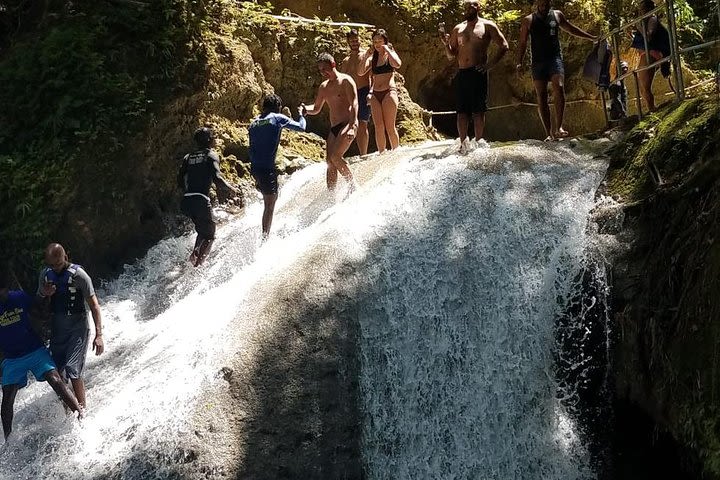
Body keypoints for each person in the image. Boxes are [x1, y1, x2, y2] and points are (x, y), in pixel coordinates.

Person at [1, 269, 83, 440]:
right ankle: (8, 440)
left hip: (34, 350)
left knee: (55, 379)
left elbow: (38, 307)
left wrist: (45, 295)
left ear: (6, 290)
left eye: (2, 292)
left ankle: (79, 416)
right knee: (7, 397)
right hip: (11, 359)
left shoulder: (18, 297)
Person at [517, 0, 597, 140]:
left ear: (550, 3)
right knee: (541, 96)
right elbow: (522, 42)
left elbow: (571, 29)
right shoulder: (528, 20)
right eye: (541, 5)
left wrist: (591, 38)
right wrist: (519, 62)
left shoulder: (557, 15)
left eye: (546, 5)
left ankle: (559, 127)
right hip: (538, 62)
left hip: (554, 59)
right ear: (537, 4)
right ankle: (548, 133)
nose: (544, 7)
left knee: (559, 87)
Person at [37, 243, 103, 410]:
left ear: (65, 257)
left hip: (77, 326)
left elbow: (94, 305)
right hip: (57, 327)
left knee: (73, 369)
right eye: (51, 265)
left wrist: (99, 334)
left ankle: (82, 411)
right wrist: (45, 295)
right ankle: (69, 410)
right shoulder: (45, 275)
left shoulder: (79, 275)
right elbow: (37, 304)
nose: (55, 268)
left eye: (58, 264)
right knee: (57, 375)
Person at [440, 1, 509, 146]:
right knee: (461, 111)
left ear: (478, 8)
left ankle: (478, 141)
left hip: (478, 72)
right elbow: (451, 55)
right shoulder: (458, 28)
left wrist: (489, 66)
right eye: (465, 7)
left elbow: (504, 46)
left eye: (471, 7)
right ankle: (463, 142)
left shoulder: (488, 26)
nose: (467, 9)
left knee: (479, 110)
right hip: (462, 72)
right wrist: (446, 44)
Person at [178, 127, 239, 266]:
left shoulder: (188, 157)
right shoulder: (211, 155)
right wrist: (230, 188)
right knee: (210, 235)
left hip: (187, 200)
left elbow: (180, 179)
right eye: (214, 137)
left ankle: (195, 256)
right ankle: (199, 267)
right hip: (200, 199)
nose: (215, 139)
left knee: (202, 230)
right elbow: (217, 178)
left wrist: (187, 192)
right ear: (209, 140)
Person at [248, 93, 307, 239]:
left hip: (255, 168)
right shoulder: (277, 117)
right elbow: (301, 127)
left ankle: (264, 233)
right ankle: (264, 238)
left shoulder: (254, 123)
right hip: (267, 168)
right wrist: (301, 115)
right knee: (270, 204)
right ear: (278, 107)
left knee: (268, 199)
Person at [301, 53, 358, 192]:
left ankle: (353, 186)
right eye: (320, 70)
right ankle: (331, 195)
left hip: (348, 123)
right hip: (334, 127)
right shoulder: (324, 87)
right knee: (329, 162)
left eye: (325, 68)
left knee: (335, 157)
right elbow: (316, 108)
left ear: (333, 65)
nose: (323, 72)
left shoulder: (346, 81)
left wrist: (352, 126)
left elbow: (355, 103)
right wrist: (305, 109)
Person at [360, 29, 402, 153]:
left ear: (385, 41)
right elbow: (360, 71)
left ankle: (396, 152)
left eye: (380, 41)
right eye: (375, 42)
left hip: (389, 92)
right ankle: (382, 153)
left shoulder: (390, 54)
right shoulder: (373, 58)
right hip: (375, 94)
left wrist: (387, 49)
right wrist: (366, 55)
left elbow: (398, 64)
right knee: (379, 127)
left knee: (390, 126)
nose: (377, 44)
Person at [630, 0, 671, 112]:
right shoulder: (645, 20)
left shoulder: (652, 19)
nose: (641, 11)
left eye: (642, 8)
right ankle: (651, 109)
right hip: (646, 53)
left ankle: (652, 109)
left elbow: (648, 36)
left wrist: (639, 26)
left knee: (645, 87)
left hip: (651, 53)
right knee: (642, 87)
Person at [339, 29, 372, 155]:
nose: (354, 43)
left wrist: (371, 92)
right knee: (351, 123)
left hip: (363, 91)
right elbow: (342, 79)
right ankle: (344, 153)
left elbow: (372, 75)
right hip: (350, 94)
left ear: (360, 40)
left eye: (356, 40)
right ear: (348, 42)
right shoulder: (346, 60)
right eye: (352, 41)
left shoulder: (366, 56)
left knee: (363, 123)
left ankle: (363, 154)